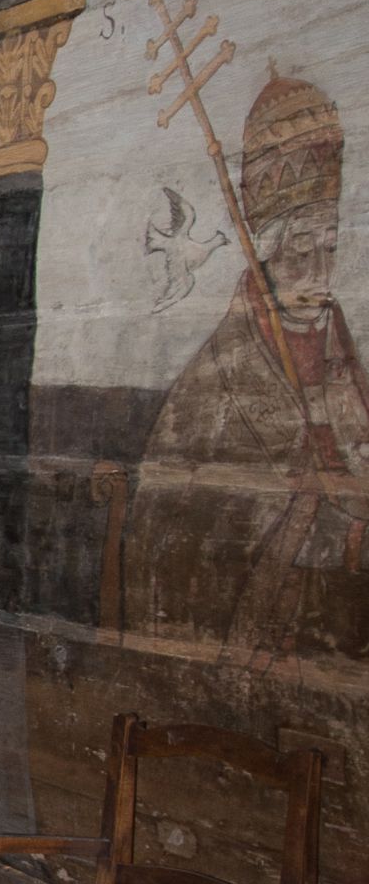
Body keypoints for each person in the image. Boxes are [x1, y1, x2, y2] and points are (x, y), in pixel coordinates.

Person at [128, 71, 369, 669]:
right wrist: (305, 497)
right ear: (269, 251)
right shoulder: (217, 378)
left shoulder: (341, 353)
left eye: (330, 246)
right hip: (265, 627)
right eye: (300, 249)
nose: (319, 269)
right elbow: (173, 526)